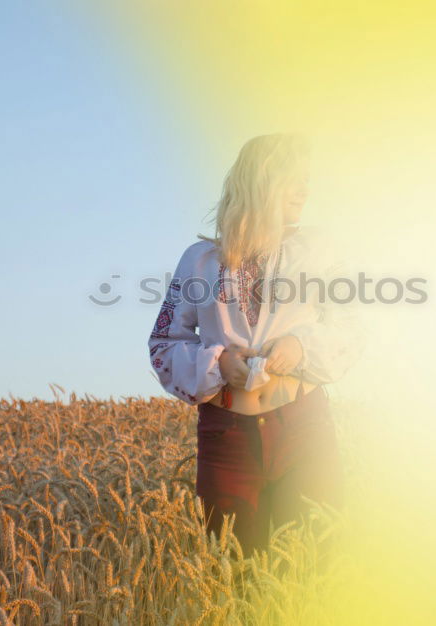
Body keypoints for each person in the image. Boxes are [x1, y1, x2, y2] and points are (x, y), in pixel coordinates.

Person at [147, 132, 364, 559]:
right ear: (261, 182)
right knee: (235, 576)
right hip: (227, 439)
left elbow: (352, 325)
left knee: (310, 567)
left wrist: (301, 348)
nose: (305, 190)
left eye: (307, 180)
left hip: (305, 430)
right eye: (293, 179)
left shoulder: (319, 250)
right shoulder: (199, 260)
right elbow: (162, 343)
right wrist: (218, 362)